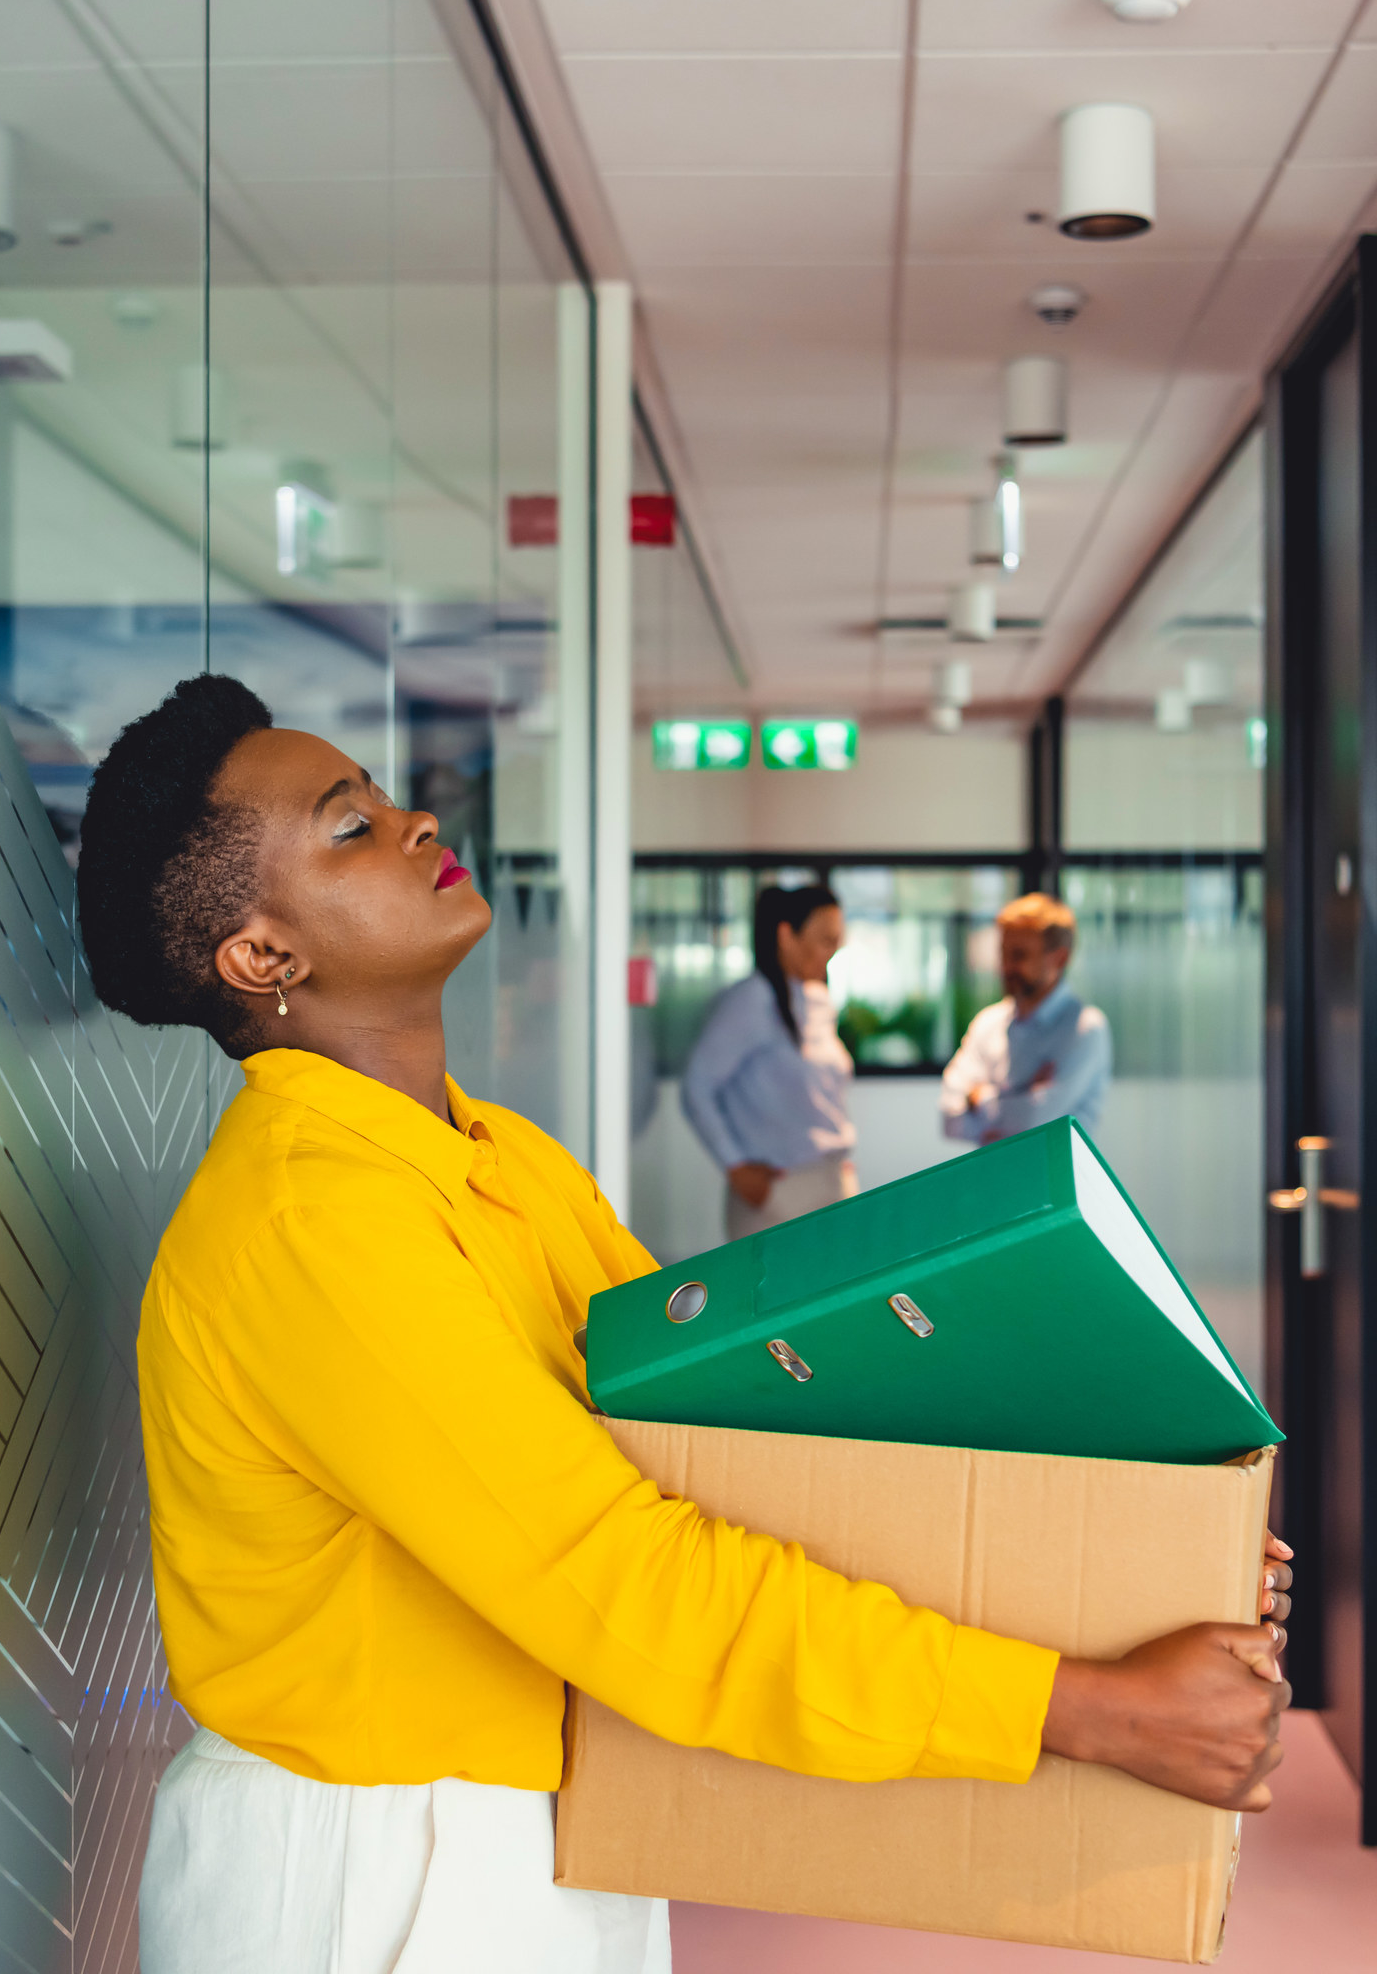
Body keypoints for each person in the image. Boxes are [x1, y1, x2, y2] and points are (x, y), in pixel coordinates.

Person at [78, 676, 1292, 1974]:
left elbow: (729, 1440)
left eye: (380, 797)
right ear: (263, 957)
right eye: (348, 827)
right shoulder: (310, 1228)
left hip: (536, 1823)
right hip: (376, 1876)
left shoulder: (500, 1159)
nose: (415, 821)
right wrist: (1090, 1708)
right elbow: (630, 1580)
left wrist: (1127, 1559)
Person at [679, 882, 856, 1241]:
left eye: (837, 942)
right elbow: (697, 1085)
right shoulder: (752, 1001)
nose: (832, 952)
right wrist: (737, 1166)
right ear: (786, 935)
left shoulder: (816, 999)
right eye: (825, 940)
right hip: (778, 1193)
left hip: (831, 1182)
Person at [942, 892, 1113, 1146]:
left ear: (1060, 958)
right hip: (993, 1181)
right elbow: (948, 1117)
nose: (1006, 967)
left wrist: (979, 1097)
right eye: (1003, 953)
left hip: (1056, 1183)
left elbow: (1034, 1120)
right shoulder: (987, 1023)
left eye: (1020, 955)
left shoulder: (1085, 1028)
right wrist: (1023, 1097)